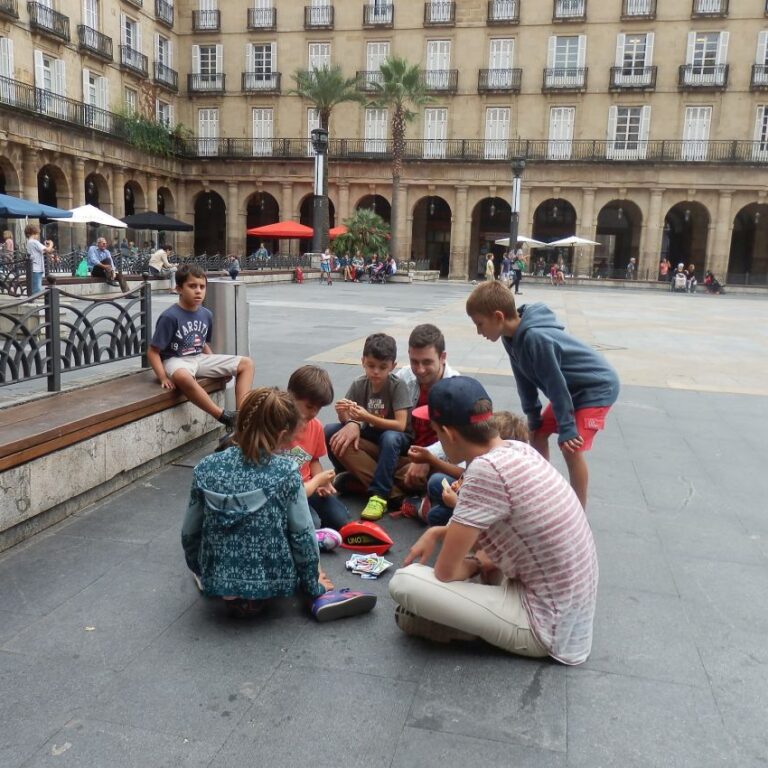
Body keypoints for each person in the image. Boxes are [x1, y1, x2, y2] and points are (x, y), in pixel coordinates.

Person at [388, 376, 598, 664]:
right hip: (567, 612)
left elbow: (446, 572)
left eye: (436, 431)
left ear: (448, 433)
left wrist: (478, 562)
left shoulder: (486, 472)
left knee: (405, 582)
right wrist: (438, 532)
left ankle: (460, 627)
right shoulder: (516, 449)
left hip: (545, 626)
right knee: (472, 553)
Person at [181, 387, 376, 621]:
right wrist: (314, 582)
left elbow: (189, 533)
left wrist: (202, 569)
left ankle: (229, 589)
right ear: (283, 434)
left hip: (218, 582)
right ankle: (317, 593)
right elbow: (302, 535)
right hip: (274, 582)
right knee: (301, 536)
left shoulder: (205, 467)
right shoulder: (286, 472)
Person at [466, 281, 620, 509]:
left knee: (571, 447)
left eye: (480, 324)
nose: (479, 331)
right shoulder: (511, 338)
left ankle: (578, 512)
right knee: (537, 433)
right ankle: (539, 492)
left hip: (596, 388)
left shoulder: (535, 338)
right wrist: (533, 416)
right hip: (571, 390)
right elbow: (524, 381)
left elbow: (555, 386)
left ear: (498, 316)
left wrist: (567, 429)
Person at [147, 264, 255, 437]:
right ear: (178, 289)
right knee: (183, 376)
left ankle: (242, 418)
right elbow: (153, 351)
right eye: (192, 286)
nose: (198, 291)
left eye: (202, 286)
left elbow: (203, 343)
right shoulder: (170, 316)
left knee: (247, 364)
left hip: (198, 357)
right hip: (176, 360)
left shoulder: (206, 314)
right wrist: (162, 377)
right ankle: (223, 416)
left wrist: (216, 365)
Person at [324, 333, 412, 521]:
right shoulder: (359, 384)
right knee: (331, 431)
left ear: (393, 366)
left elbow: (400, 425)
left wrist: (365, 416)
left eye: (383, 367)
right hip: (371, 435)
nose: (376, 372)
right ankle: (348, 472)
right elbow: (348, 419)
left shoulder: (397, 386)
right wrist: (346, 417)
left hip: (397, 441)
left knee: (390, 436)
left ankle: (380, 495)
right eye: (371, 366)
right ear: (363, 361)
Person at [409, 410, 529, 527]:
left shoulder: (492, 472)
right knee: (434, 514)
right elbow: (466, 474)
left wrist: (456, 503)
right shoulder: (508, 458)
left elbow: (482, 516)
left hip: (490, 519)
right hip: (480, 504)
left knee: (436, 507)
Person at [283, 365, 350, 535]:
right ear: (291, 396)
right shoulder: (280, 426)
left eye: (318, 409)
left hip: (309, 486)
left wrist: (322, 482)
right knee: (313, 523)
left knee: (341, 519)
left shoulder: (316, 427)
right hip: (287, 493)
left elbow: (313, 459)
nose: (313, 413)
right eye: (309, 406)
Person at [24, 223, 53, 294]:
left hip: (33, 267)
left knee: (34, 286)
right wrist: (51, 244)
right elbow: (48, 250)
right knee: (37, 289)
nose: (38, 236)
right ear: (33, 233)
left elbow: (42, 251)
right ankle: (35, 301)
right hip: (36, 267)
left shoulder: (29, 242)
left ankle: (33, 299)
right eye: (37, 234)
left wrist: (46, 247)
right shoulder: (34, 242)